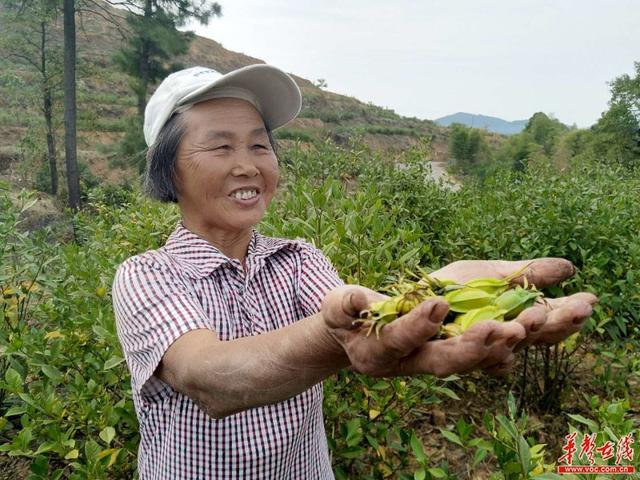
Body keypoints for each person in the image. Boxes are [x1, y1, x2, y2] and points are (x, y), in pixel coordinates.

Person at [112, 64, 597, 479]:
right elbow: (209, 376)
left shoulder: (298, 259)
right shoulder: (147, 276)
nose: (248, 166)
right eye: (220, 148)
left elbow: (363, 316)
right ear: (168, 169)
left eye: (260, 146)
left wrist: (443, 298)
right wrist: (340, 338)